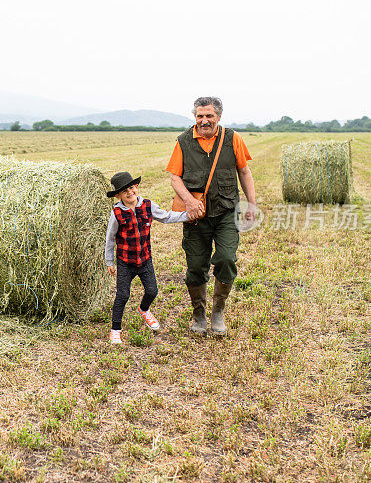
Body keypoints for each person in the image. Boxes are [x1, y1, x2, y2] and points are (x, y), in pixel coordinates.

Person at [165, 97, 257, 336]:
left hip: (226, 212)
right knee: (196, 266)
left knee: (226, 259)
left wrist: (252, 205)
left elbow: (244, 172)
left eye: (209, 116)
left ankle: (218, 312)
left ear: (218, 116)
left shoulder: (233, 139)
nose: (204, 121)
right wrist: (189, 201)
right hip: (196, 216)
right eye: (199, 116)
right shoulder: (184, 141)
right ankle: (198, 314)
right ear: (195, 117)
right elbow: (175, 177)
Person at [104, 171, 188, 344]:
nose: (129, 192)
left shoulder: (148, 205)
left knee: (152, 291)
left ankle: (144, 310)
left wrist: (187, 215)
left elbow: (166, 216)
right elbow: (110, 238)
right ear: (118, 195)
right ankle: (115, 330)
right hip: (125, 262)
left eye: (132, 187)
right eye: (124, 191)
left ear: (137, 187)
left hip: (145, 260)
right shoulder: (117, 213)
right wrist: (109, 261)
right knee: (122, 295)